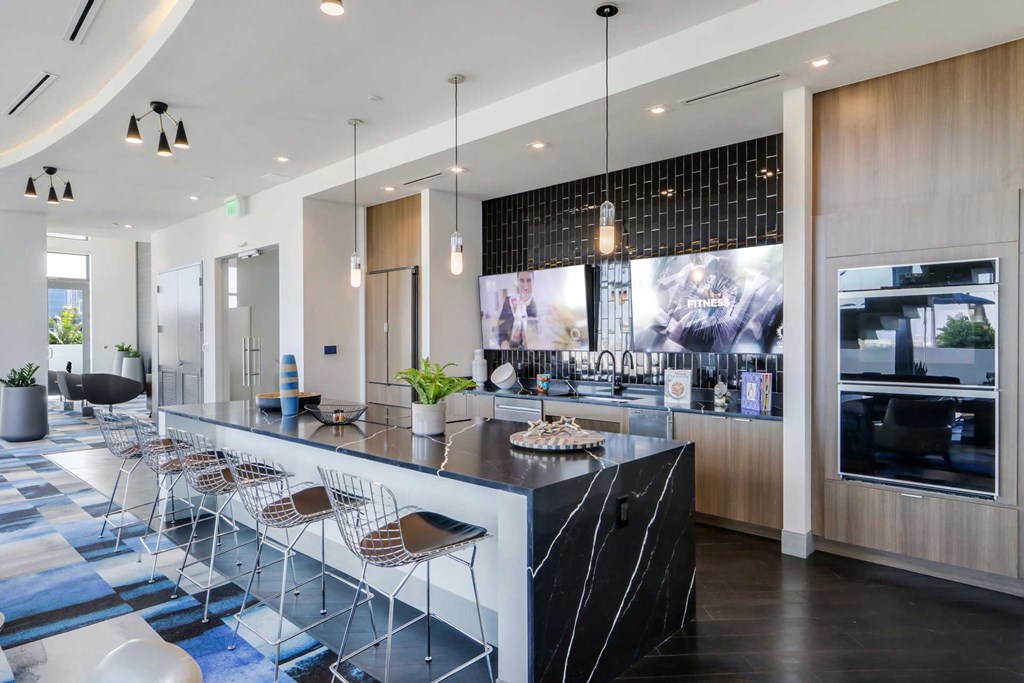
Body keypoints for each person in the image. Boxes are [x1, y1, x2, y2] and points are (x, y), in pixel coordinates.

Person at [496, 271, 537, 349]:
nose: (525, 286)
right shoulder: (509, 301)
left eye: (529, 281)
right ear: (517, 282)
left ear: (533, 282)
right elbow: (500, 331)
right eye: (521, 281)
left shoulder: (538, 305)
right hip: (512, 350)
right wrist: (504, 344)